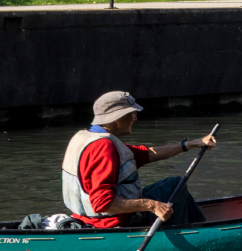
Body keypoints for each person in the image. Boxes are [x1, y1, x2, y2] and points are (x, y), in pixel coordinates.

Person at [60, 91, 215, 228]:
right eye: (132, 113)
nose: (135, 118)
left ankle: (198, 226)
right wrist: (151, 205)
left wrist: (192, 144)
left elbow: (147, 154)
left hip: (87, 218)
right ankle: (196, 233)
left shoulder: (87, 137)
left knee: (173, 184)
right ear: (116, 118)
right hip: (114, 222)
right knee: (176, 185)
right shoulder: (103, 147)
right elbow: (103, 203)